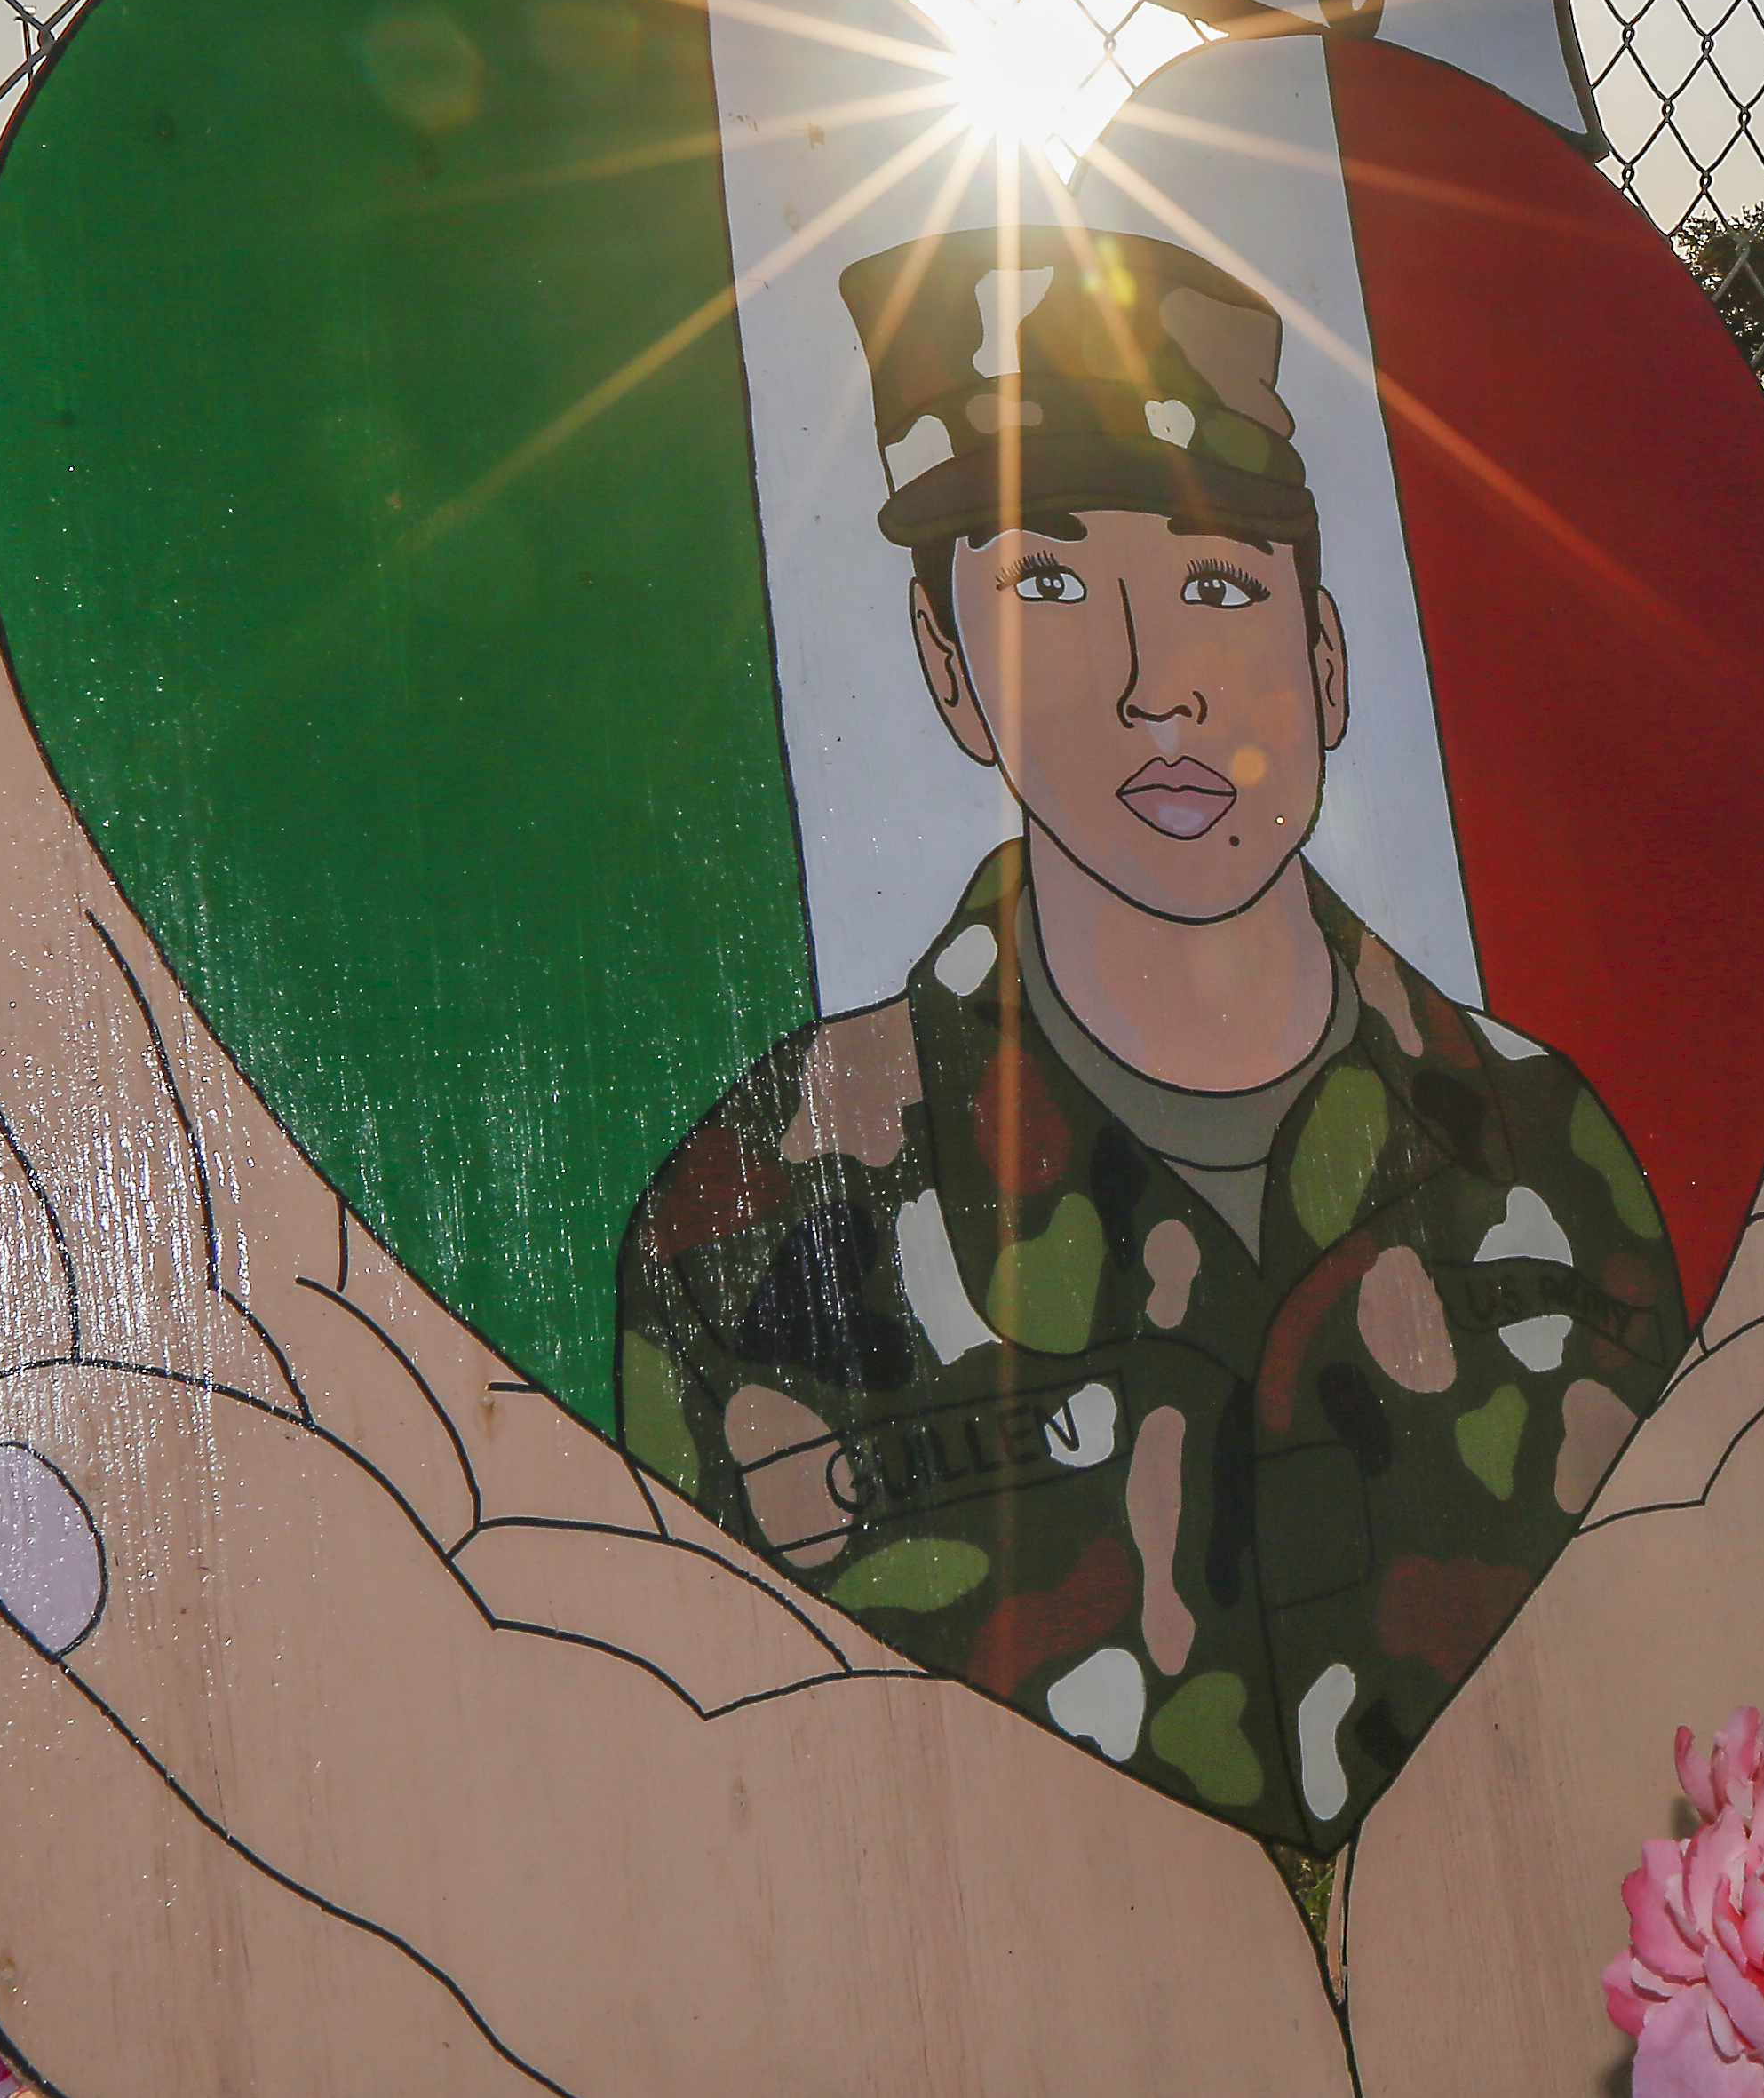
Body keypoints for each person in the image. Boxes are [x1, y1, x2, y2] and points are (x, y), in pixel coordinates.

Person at [612, 222, 1689, 1851]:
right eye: (1045, 584)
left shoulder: (1542, 1150)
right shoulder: (758, 1221)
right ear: (948, 672)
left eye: (1216, 584)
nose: (1155, 688)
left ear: (1322, 659)